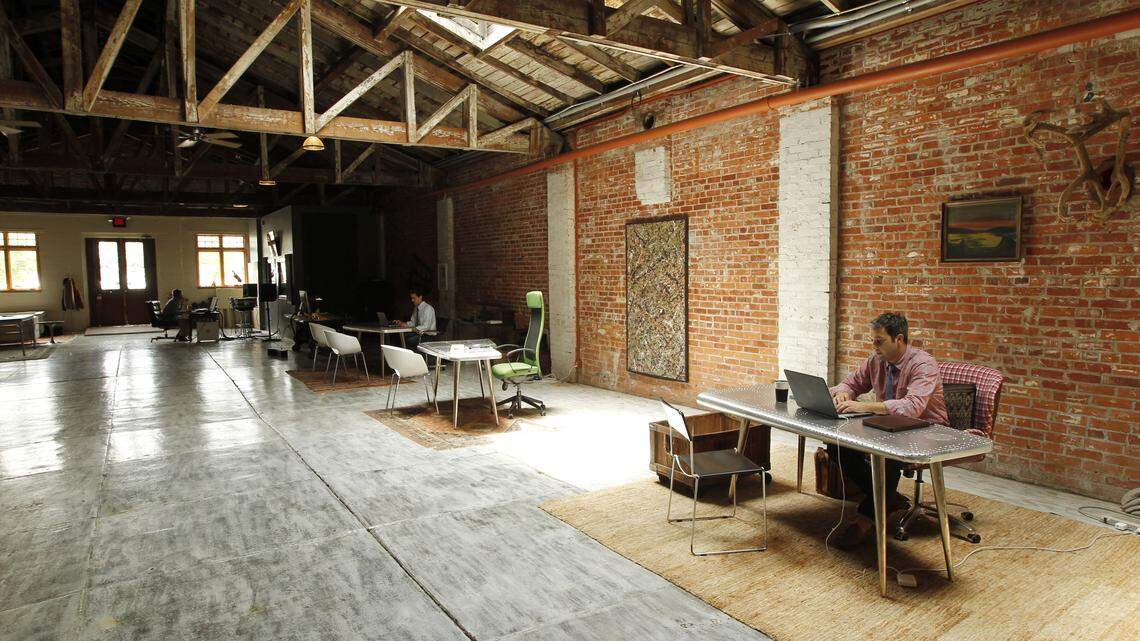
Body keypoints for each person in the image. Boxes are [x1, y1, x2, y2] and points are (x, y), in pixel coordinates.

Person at [827, 312, 948, 548]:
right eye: (873, 340)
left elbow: (913, 407)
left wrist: (863, 405)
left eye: (879, 341)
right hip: (888, 425)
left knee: (886, 455)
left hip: (928, 430)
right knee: (836, 444)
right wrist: (844, 392)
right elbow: (850, 383)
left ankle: (865, 519)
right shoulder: (877, 360)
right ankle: (888, 498)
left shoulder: (923, 364)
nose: (874, 346)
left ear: (899, 339)